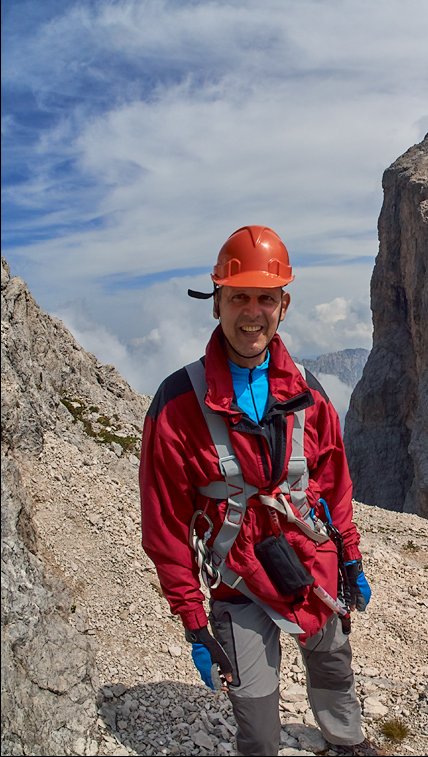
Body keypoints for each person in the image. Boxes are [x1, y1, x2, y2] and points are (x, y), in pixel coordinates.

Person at [140, 225, 378, 756]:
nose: (252, 312)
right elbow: (164, 521)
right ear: (217, 301)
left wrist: (350, 558)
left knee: (333, 665)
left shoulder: (309, 393)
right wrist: (191, 616)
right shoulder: (179, 402)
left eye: (264, 298)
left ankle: (346, 743)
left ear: (284, 305)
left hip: (310, 564)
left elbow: (335, 484)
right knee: (257, 723)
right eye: (238, 297)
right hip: (237, 579)